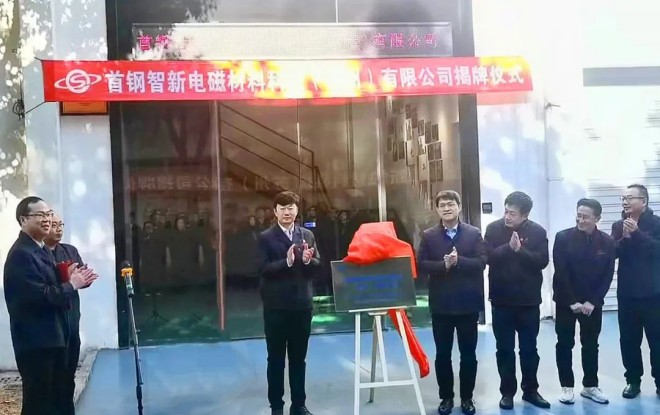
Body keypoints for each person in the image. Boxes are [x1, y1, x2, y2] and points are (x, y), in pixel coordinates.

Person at [3, 196, 97, 415]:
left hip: (59, 339)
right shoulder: (21, 255)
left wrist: (70, 279)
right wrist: (71, 285)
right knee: (40, 404)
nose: (47, 220)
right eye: (40, 215)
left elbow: (53, 287)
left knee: (61, 397)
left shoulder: (42, 250)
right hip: (38, 344)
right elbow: (40, 296)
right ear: (23, 220)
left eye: (48, 214)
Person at [417, 191, 486, 415]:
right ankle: (446, 398)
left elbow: (482, 262)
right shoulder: (429, 236)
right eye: (442, 205)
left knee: (468, 355)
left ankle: (467, 398)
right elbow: (421, 265)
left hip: (467, 304)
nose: (446, 208)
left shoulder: (473, 233)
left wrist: (459, 261)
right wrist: (443, 266)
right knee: (443, 355)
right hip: (442, 306)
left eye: (450, 204)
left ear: (459, 207)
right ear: (437, 209)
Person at [484, 191, 550, 410]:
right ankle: (507, 393)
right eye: (506, 211)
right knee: (504, 349)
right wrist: (508, 248)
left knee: (529, 349)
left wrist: (520, 251)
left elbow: (542, 261)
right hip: (501, 300)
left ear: (525, 215)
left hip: (528, 301)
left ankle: (530, 390)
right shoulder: (493, 229)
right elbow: (487, 257)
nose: (507, 216)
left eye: (512, 213)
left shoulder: (538, 232)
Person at [258, 191, 320, 415]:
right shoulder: (265, 237)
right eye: (282, 208)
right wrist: (286, 262)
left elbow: (318, 265)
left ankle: (299, 405)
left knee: (298, 359)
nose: (287, 212)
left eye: (290, 207)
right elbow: (261, 269)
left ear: (296, 210)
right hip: (276, 308)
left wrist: (309, 261)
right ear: (275, 212)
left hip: (302, 306)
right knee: (276, 359)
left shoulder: (307, 235)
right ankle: (277, 407)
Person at [553, 199, 615, 405]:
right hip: (566, 302)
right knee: (564, 343)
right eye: (578, 215)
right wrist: (571, 301)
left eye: (586, 217)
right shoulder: (563, 238)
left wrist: (593, 301)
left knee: (590, 344)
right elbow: (560, 272)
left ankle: (590, 386)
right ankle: (567, 387)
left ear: (597, 218)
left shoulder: (607, 242)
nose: (580, 220)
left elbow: (607, 274)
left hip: (592, 304)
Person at [44, 212, 97, 414]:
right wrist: (68, 280)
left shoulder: (69, 250)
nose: (58, 229)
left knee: (68, 377)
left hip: (71, 319)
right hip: (51, 325)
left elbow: (81, 279)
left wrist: (84, 279)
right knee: (50, 383)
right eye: (54, 225)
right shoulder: (39, 254)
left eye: (61, 225)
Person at [611, 184, 660, 399]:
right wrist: (625, 238)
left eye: (630, 198)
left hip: (654, 293)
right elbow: (612, 252)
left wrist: (637, 234)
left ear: (644, 201)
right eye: (623, 198)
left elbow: (656, 250)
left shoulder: (657, 224)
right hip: (627, 293)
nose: (625, 202)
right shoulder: (618, 225)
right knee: (629, 341)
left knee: (657, 340)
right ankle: (632, 381)